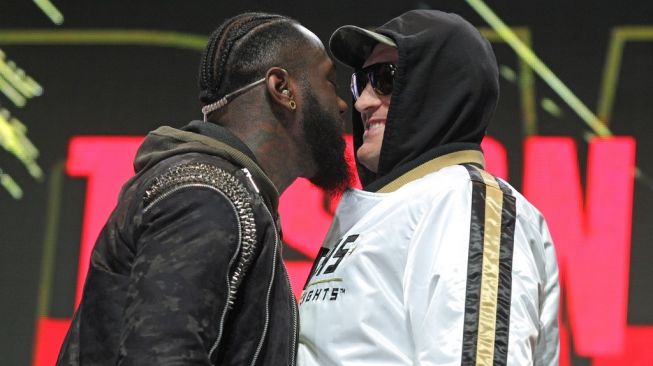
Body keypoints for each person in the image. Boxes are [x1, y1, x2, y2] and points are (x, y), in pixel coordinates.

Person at [57, 12, 350, 365]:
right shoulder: (208, 196)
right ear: (282, 89)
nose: (342, 104)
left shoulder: (218, 192)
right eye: (329, 81)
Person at [298, 9, 560, 365]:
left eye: (385, 79)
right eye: (361, 82)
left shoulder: (464, 202)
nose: (361, 102)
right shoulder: (396, 208)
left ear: (439, 89)